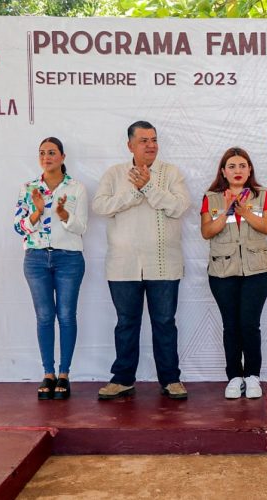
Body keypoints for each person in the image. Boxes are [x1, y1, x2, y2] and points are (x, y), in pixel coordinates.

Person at [93, 121, 191, 400]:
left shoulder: (171, 173)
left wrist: (148, 188)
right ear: (130, 145)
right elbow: (101, 206)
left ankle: (171, 379)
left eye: (154, 140)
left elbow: (179, 207)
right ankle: (123, 378)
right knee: (126, 322)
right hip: (123, 265)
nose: (151, 145)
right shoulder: (114, 174)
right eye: (144, 140)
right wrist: (135, 193)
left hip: (163, 262)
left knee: (164, 321)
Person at [13, 137, 87, 400]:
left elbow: (82, 228)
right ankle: (48, 373)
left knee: (66, 315)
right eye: (42, 152)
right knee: (44, 316)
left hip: (68, 258)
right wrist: (37, 211)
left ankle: (64, 374)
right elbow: (18, 226)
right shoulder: (29, 188)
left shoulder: (76, 188)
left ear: (63, 157)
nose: (47, 157)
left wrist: (65, 215)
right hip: (35, 258)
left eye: (52, 152)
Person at [200, 147, 267, 399]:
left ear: (250, 168)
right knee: (231, 325)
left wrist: (244, 212)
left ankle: (253, 376)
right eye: (231, 166)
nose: (237, 170)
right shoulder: (211, 198)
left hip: (257, 271)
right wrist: (227, 211)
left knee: (249, 324)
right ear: (223, 171)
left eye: (242, 165)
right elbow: (207, 232)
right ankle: (234, 376)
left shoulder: (262, 195)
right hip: (222, 272)